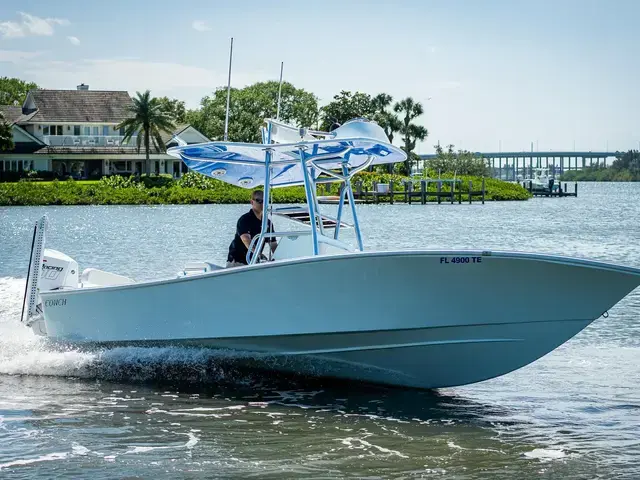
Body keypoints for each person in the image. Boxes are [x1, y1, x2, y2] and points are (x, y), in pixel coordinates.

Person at [226, 190, 277, 267]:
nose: (262, 203)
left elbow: (273, 244)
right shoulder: (244, 219)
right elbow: (246, 239)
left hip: (253, 262)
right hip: (237, 261)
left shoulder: (268, 223)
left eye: (265, 201)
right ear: (252, 202)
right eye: (259, 200)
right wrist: (258, 254)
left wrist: (281, 258)